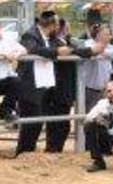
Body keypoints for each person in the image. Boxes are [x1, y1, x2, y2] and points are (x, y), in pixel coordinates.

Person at [16, 11, 75, 155]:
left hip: (49, 85)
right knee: (32, 122)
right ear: (51, 24)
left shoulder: (53, 38)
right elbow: (35, 49)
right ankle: (24, 153)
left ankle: (50, 151)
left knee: (55, 121)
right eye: (57, 24)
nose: (58, 28)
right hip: (32, 86)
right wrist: (57, 51)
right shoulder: (30, 35)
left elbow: (66, 49)